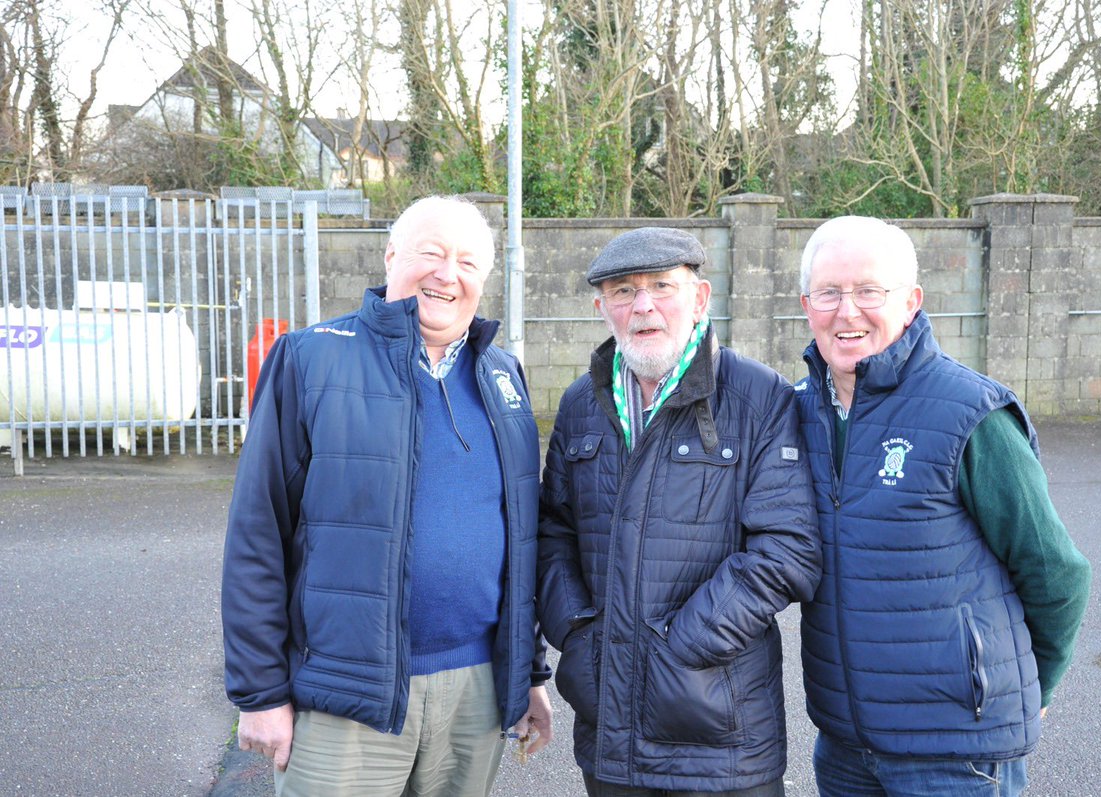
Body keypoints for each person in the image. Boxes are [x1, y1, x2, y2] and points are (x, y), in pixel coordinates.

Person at [221, 195, 552, 796]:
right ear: (391, 256)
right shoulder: (310, 358)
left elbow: (521, 539)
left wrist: (526, 673)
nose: (447, 274)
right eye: (432, 253)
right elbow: (257, 533)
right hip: (346, 693)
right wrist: (261, 693)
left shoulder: (502, 374)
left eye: (468, 263)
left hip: (475, 693)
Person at [792, 215, 1092, 796]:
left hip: (957, 755)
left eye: (869, 291)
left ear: (911, 302)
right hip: (845, 749)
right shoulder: (796, 411)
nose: (846, 311)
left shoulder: (971, 414)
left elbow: (1057, 573)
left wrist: (1035, 687)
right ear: (807, 304)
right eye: (829, 292)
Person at [538, 227, 823, 796]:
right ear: (602, 308)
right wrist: (578, 636)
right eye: (622, 291)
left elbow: (788, 550)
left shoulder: (758, 398)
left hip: (724, 737)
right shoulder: (580, 405)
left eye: (661, 286)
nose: (642, 305)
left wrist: (677, 648)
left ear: (700, 298)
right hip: (610, 728)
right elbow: (553, 533)